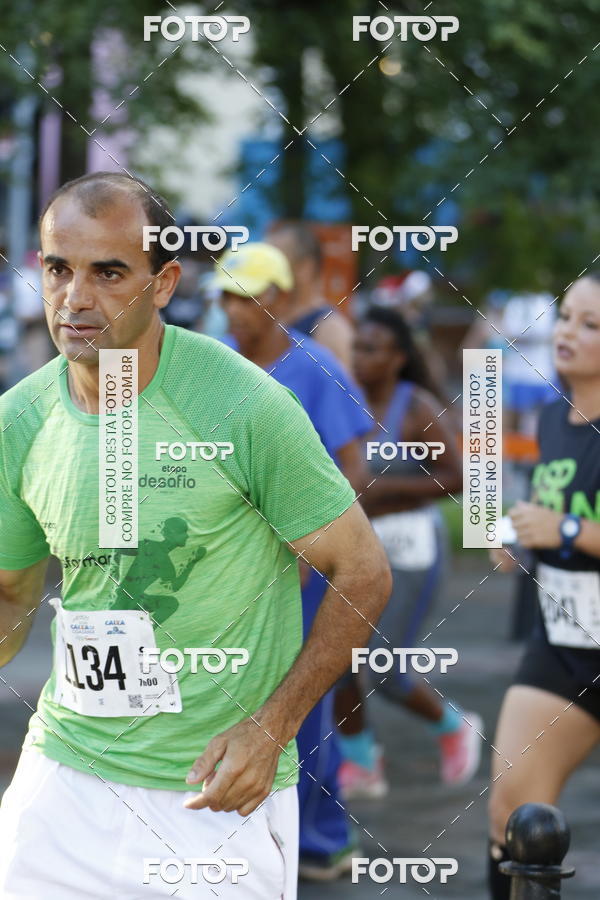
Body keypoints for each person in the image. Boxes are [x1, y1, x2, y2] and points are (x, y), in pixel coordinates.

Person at [0, 172, 391, 900]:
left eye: (108, 272)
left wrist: (274, 727)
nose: (75, 298)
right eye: (57, 268)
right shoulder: (18, 420)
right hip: (63, 782)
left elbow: (363, 571)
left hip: (212, 796)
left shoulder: (244, 404)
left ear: (164, 283)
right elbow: (11, 600)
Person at [213, 241, 374, 881]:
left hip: (306, 572)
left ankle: (323, 838)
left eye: (243, 295)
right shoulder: (218, 367)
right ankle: (255, 829)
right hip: (237, 569)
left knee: (304, 702)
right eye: (225, 294)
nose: (231, 309)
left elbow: (355, 471)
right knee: (239, 697)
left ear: (277, 298)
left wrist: (316, 545)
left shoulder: (315, 366)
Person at [334, 306, 483, 798]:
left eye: (371, 349)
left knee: (383, 667)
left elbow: (458, 477)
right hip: (357, 547)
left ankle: (454, 725)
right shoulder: (344, 399)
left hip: (411, 548)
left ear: (397, 358)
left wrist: (382, 490)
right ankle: (361, 764)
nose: (359, 357)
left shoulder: (414, 406)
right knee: (334, 659)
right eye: (356, 346)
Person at [487, 272, 600, 899]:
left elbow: (570, 522)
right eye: (565, 317)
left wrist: (568, 526)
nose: (568, 333)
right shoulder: (552, 418)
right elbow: (547, 519)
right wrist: (520, 539)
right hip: (564, 640)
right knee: (511, 811)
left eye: (591, 324)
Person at [266, 221, 355, 370]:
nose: (267, 270)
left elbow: (341, 391)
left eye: (276, 262)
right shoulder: (271, 318)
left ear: (305, 268)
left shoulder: (330, 329)